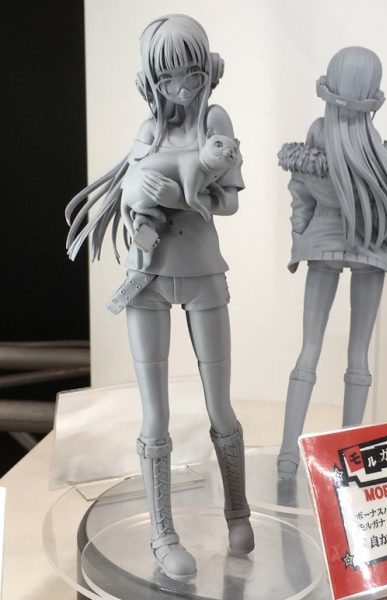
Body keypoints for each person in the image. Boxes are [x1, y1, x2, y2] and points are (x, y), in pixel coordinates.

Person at [66, 14, 254, 581]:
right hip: (146, 276)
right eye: (168, 76)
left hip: (202, 272)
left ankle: (238, 512)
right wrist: (136, 188)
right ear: (151, 79)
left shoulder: (215, 121)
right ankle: (162, 533)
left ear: (207, 69)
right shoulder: (148, 129)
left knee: (220, 403)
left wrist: (177, 192)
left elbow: (230, 203)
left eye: (192, 72)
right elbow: (127, 191)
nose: (182, 86)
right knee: (156, 413)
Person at [277, 47, 387, 479]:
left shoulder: (318, 133)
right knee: (358, 354)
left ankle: (288, 455)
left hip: (324, 243)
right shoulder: (375, 145)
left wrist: (300, 236)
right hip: (371, 246)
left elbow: (300, 194)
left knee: (309, 350)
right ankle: (349, 457)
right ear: (372, 94)